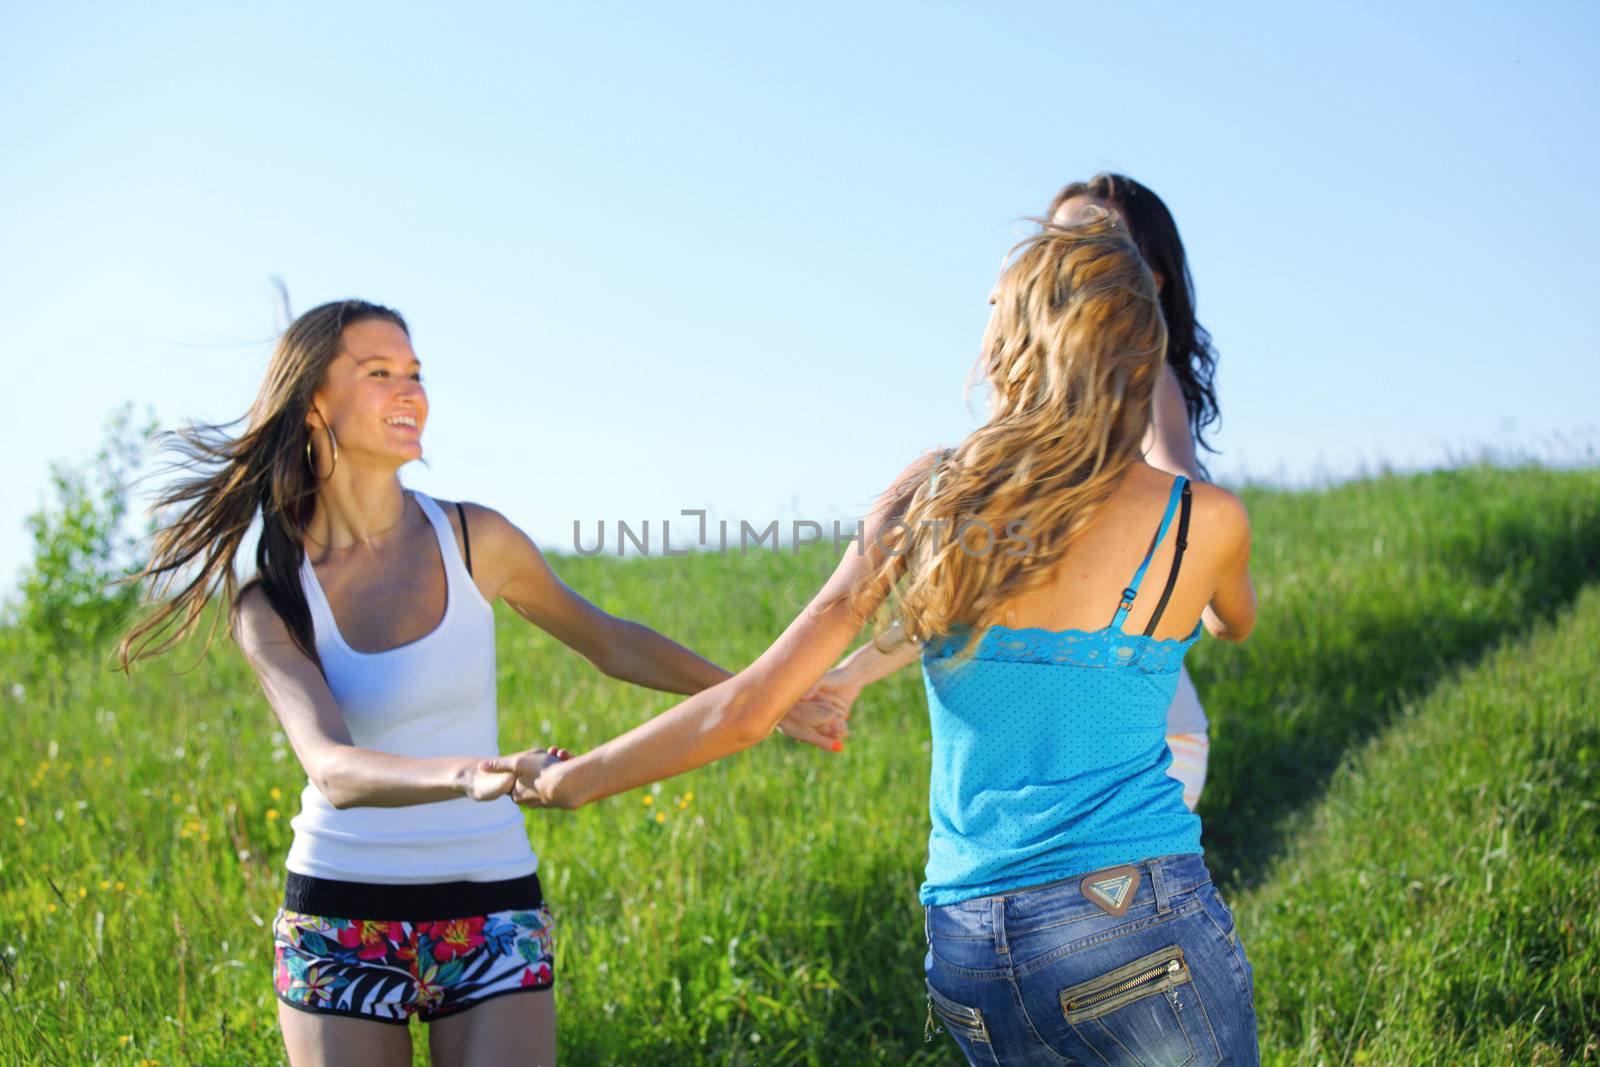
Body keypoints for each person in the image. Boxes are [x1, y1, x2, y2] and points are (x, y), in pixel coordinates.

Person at [491, 208, 1260, 1064]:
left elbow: (749, 707)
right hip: (1132, 915)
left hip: (972, 941)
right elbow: (1234, 619)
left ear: (1014, 341)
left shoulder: (932, 495)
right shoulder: (1204, 520)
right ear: (1132, 350)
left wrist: (570, 783)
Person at [116, 300, 845, 1067]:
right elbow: (331, 767)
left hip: (493, 902)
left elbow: (614, 642)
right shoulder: (274, 598)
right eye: (379, 373)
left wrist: (767, 694)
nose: (411, 391)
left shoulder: (475, 540)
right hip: (340, 917)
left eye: (416, 373)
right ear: (312, 404)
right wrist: (475, 772)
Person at [808, 173, 1223, 812]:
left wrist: (1206, 550)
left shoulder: (1144, 384)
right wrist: (849, 676)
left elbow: (1180, 472)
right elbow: (968, 604)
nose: (1062, 254)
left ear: (1149, 278)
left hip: (1148, 743)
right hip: (1074, 751)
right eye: (1056, 236)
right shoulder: (1044, 452)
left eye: (1092, 235)